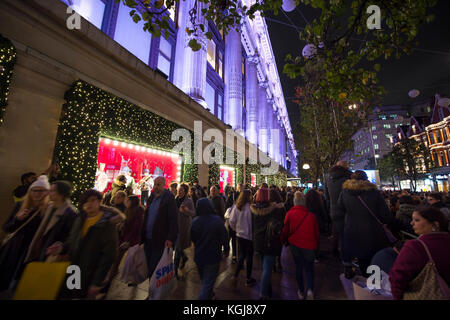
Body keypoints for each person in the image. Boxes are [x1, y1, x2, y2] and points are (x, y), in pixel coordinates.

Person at [51, 189, 120, 299]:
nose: (89, 204)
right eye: (85, 202)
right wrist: (61, 247)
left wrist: (97, 282)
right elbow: (72, 241)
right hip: (75, 269)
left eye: (92, 200)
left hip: (91, 272)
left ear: (99, 201)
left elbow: (109, 255)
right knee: (70, 296)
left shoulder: (107, 223)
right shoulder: (80, 219)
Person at [335, 170, 392, 278]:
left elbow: (339, 212)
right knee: (376, 263)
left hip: (353, 232)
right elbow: (386, 216)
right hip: (374, 233)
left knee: (363, 262)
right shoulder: (374, 192)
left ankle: (368, 287)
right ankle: (376, 287)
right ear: (366, 179)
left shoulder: (345, 193)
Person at [0, 175, 50, 295]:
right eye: (34, 190)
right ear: (30, 191)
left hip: (30, 251)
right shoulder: (21, 205)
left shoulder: (49, 209)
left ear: (47, 192)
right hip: (13, 248)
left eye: (41, 190)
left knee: (18, 284)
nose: (37, 193)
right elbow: (6, 227)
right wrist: (17, 219)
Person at [389, 207, 450, 300]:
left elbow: (397, 278)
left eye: (417, 220)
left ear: (435, 224)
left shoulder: (415, 246)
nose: (411, 223)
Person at [141, 176, 178, 295]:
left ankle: (153, 294)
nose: (156, 187)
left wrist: (170, 238)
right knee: (149, 267)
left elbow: (173, 219)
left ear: (164, 185)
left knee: (154, 268)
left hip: (160, 239)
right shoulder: (152, 197)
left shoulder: (169, 198)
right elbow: (148, 215)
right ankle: (153, 292)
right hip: (148, 238)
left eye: (158, 184)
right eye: (155, 184)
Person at [24, 181, 78, 263]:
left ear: (62, 194)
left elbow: (70, 236)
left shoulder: (70, 213)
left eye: (52, 191)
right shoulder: (49, 207)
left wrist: (60, 247)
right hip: (38, 249)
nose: (49, 193)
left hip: (51, 253)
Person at [281, 192, 320, 300]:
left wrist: (283, 241)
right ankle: (310, 291)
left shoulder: (289, 214)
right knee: (309, 269)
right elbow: (317, 233)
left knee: (298, 267)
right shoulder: (311, 216)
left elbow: (285, 230)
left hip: (295, 245)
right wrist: (317, 247)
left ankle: (301, 291)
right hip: (310, 246)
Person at [250, 187, 284, 300]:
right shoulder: (273, 209)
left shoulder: (253, 210)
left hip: (258, 242)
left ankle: (267, 290)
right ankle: (263, 294)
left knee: (265, 267)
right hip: (270, 241)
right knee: (267, 268)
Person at [190, 198, 228, 300]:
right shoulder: (217, 220)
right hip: (213, 255)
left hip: (199, 256)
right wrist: (226, 250)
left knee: (205, 281)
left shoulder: (195, 221)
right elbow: (224, 236)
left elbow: (193, 238)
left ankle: (210, 294)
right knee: (207, 282)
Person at [105, 195, 144, 290]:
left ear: (132, 202)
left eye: (127, 200)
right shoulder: (128, 210)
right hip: (125, 238)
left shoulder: (138, 211)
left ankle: (110, 281)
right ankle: (110, 280)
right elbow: (127, 222)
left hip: (131, 240)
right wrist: (122, 225)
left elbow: (136, 228)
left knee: (130, 260)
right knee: (118, 259)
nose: (125, 202)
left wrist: (128, 240)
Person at [324, 160, 352, 258]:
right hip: (347, 209)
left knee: (335, 231)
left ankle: (335, 251)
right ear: (346, 167)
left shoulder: (327, 177)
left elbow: (326, 195)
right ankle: (346, 259)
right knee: (346, 235)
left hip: (334, 209)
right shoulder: (349, 176)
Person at [229, 189, 256, 287]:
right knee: (249, 257)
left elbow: (231, 221)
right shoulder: (252, 207)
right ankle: (248, 278)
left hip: (240, 235)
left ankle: (235, 275)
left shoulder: (237, 207)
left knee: (241, 256)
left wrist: (236, 229)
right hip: (249, 236)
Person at [174, 183, 195, 279]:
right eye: (178, 189)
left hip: (183, 227)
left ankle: (174, 271)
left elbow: (193, 213)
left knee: (178, 249)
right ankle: (185, 257)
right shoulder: (175, 198)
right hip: (174, 227)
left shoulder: (188, 201)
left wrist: (186, 210)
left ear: (185, 191)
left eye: (181, 190)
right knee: (177, 247)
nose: (179, 191)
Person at [269, 188, 286, 273]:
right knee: (279, 246)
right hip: (279, 229)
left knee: (272, 246)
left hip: (271, 229)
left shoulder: (269, 207)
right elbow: (284, 217)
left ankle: (272, 265)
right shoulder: (281, 206)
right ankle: (279, 262)